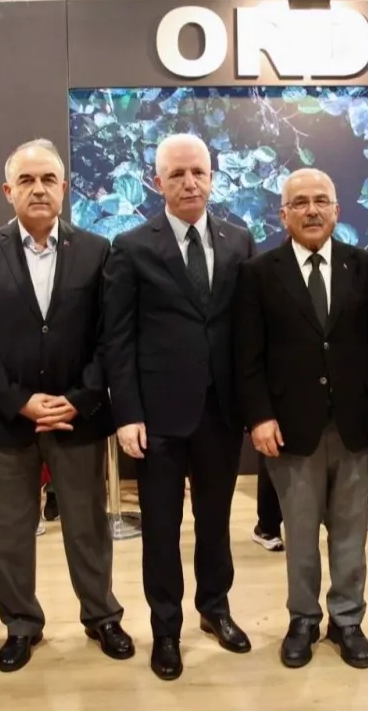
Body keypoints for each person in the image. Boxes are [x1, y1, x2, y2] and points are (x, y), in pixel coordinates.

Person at [0, 138, 132, 673]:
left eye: (48, 179)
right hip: (7, 420)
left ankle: (101, 616)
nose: (38, 189)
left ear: (64, 188)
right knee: (11, 531)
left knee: (87, 526)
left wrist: (77, 401)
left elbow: (110, 339)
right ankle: (21, 625)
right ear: (8, 191)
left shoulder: (97, 250)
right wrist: (21, 402)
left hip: (78, 418)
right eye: (27, 181)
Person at [104, 133, 256, 680]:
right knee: (162, 529)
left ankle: (215, 608)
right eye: (177, 174)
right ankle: (165, 628)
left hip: (220, 412)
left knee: (215, 522)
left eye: (198, 172)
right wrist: (127, 414)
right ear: (157, 182)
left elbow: (248, 330)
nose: (189, 183)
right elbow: (117, 338)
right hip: (158, 417)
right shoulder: (131, 246)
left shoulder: (239, 241)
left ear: (212, 177)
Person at [233, 168, 368, 669]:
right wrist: (259, 417)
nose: (311, 210)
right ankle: (302, 618)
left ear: (337, 210)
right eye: (299, 202)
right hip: (291, 428)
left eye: (321, 200)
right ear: (283, 214)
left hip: (354, 424)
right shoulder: (259, 272)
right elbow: (247, 355)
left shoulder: (364, 266)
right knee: (300, 535)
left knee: (350, 533)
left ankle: (347, 620)